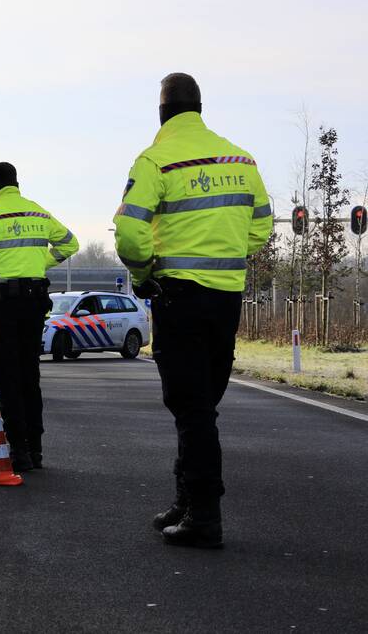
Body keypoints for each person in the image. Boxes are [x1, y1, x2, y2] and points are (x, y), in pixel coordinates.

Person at [114, 73, 272, 548]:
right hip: (226, 297)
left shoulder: (155, 160)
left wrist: (144, 272)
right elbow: (261, 226)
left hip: (178, 295)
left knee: (190, 405)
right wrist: (226, 253)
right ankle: (186, 500)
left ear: (162, 112)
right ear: (200, 108)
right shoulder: (240, 160)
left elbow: (129, 233)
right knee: (201, 402)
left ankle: (204, 515)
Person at [0, 162, 78, 471]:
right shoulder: (38, 213)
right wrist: (40, 263)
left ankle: (19, 450)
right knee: (30, 375)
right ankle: (36, 449)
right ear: (17, 184)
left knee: (7, 377)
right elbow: (70, 243)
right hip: (34, 302)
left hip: (3, 304)